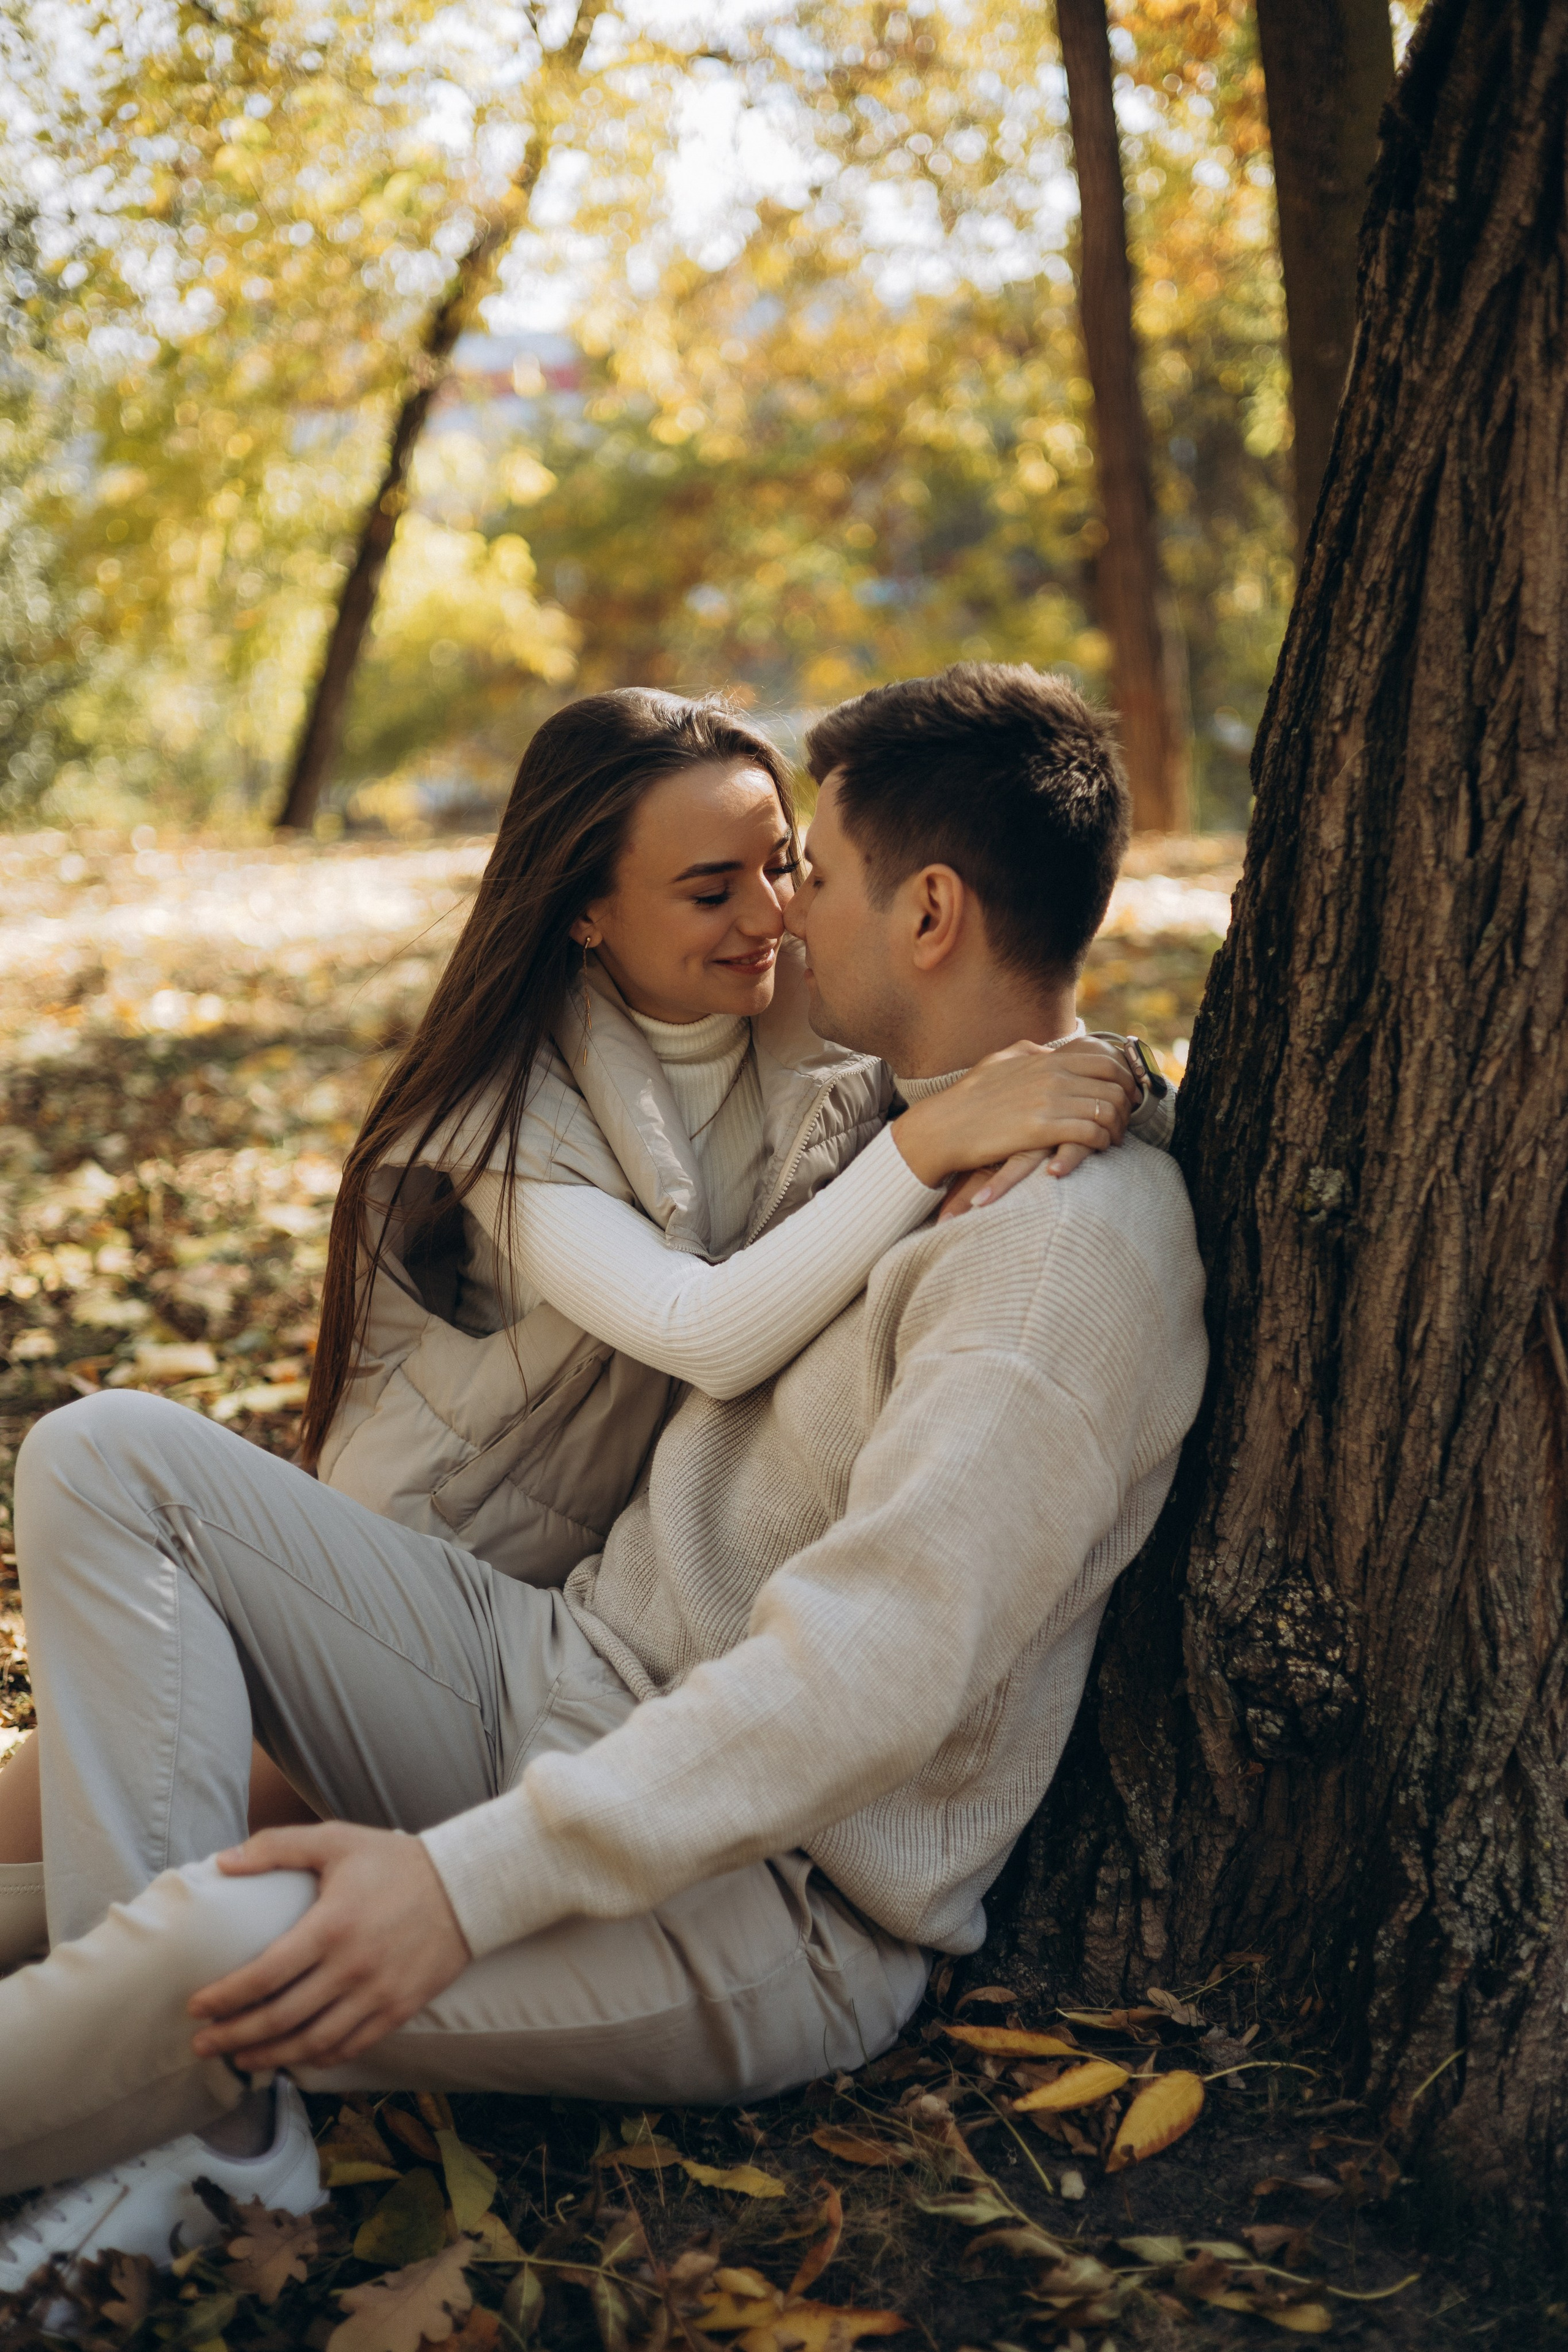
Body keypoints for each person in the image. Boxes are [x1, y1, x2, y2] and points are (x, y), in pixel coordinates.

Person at [0, 663, 1207, 2311]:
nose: (782, 919)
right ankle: (196, 2133)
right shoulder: (904, 1116)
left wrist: (456, 1883)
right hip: (560, 1674)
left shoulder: (1058, 1254)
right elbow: (722, 1304)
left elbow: (866, 1676)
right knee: (104, 1453)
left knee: (224, 1948)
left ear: (926, 913)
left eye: (811, 871)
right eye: (750, 879)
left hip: (770, 1899)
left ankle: (184, 2115)